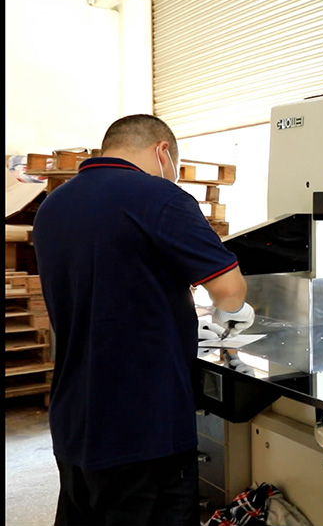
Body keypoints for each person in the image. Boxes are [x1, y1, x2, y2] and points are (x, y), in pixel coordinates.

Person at [32, 114, 256, 525]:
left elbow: (111, 282)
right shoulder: (159, 196)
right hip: (142, 425)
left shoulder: (54, 205)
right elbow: (229, 291)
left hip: (73, 419)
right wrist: (239, 312)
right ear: (162, 152)